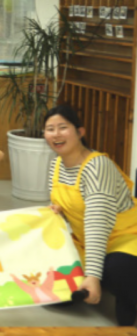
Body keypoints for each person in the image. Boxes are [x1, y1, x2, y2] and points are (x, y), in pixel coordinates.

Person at [45, 105, 137, 326]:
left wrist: (93, 276)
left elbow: (98, 223)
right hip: (85, 241)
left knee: (117, 270)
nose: (56, 134)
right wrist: (58, 212)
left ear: (80, 132)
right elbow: (67, 207)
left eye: (63, 127)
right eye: (50, 129)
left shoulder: (97, 166)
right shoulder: (56, 165)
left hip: (126, 237)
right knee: (51, 288)